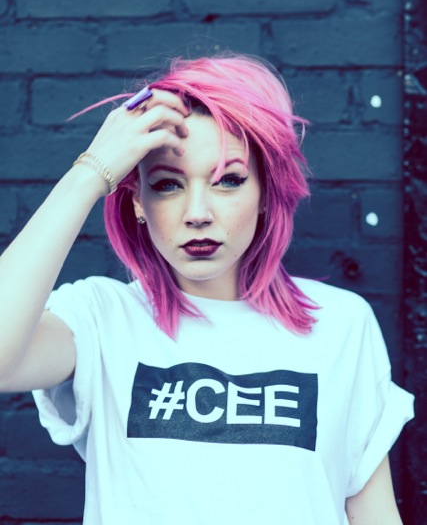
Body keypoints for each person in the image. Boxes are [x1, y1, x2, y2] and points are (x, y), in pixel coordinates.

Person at [0, 54, 414, 524]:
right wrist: (90, 173)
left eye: (229, 181)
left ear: (265, 194)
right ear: (137, 201)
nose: (197, 211)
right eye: (168, 185)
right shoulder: (99, 318)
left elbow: (374, 514)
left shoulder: (340, 323)